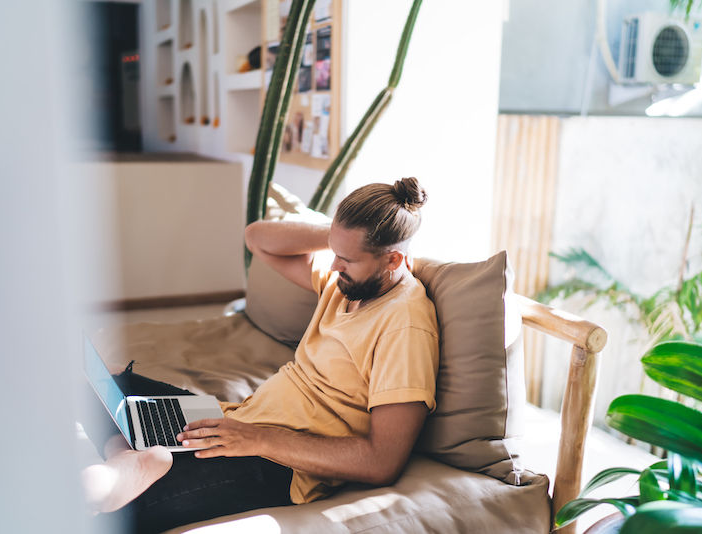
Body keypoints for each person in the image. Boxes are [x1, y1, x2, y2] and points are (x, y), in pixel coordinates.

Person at [82, 177, 439, 533]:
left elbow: (382, 461)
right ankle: (128, 458)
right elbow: (257, 238)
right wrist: (336, 233)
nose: (333, 267)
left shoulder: (404, 325)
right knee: (97, 387)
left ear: (392, 258)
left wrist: (257, 439)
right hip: (236, 420)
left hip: (277, 465)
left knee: (111, 515)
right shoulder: (349, 284)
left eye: (346, 259)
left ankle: (127, 462)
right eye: (334, 252)